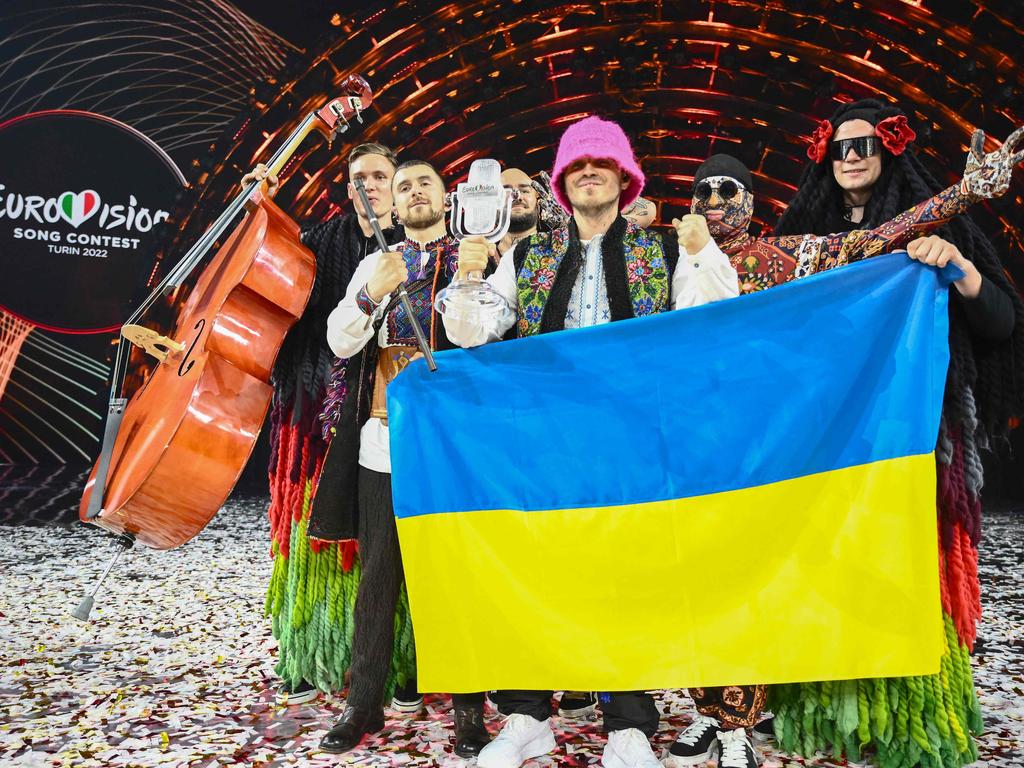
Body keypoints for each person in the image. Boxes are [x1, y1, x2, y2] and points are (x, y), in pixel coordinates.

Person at [445, 115, 739, 768]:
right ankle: (525, 717)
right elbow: (470, 335)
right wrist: (468, 276)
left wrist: (703, 254)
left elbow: (714, 321)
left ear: (626, 177)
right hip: (539, 447)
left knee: (624, 581)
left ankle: (627, 723)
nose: (587, 170)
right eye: (575, 164)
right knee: (531, 574)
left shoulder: (661, 249)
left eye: (600, 162)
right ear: (560, 182)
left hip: (630, 448)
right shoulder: (527, 257)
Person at [757, 99, 1021, 768]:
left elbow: (1001, 323)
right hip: (825, 440)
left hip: (910, 435)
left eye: (867, 144)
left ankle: (912, 715)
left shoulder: (937, 235)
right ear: (824, 157)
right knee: (826, 568)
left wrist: (957, 271)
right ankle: (827, 709)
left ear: (890, 152)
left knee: (907, 569)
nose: (853, 156)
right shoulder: (798, 242)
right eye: (841, 146)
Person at [312, 160, 490, 758]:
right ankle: (364, 705)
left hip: (450, 445)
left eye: (426, 185)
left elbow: (474, 336)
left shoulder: (476, 253)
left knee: (453, 579)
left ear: (448, 197)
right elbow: (340, 340)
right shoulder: (375, 262)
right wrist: (371, 293)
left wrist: (468, 278)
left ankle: (468, 710)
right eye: (405, 185)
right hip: (382, 437)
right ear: (395, 200)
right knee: (378, 580)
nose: (414, 193)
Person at [242, 143, 412, 707]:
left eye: (381, 175)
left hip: (387, 414)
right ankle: (309, 657)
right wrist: (255, 210)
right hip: (315, 408)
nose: (370, 185)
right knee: (310, 538)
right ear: (346, 187)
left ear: (398, 182)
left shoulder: (420, 248)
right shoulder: (311, 245)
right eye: (359, 176)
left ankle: (397, 664)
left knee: (389, 543)